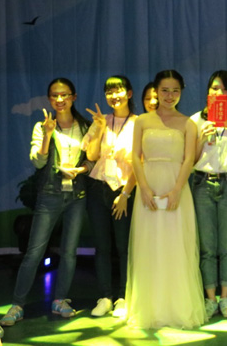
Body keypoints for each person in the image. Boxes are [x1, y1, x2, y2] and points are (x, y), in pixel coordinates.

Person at [1, 78, 92, 326]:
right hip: (49, 194)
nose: (59, 100)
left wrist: (80, 170)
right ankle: (17, 305)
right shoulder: (42, 126)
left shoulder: (85, 126)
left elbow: (93, 159)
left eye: (64, 95)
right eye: (54, 95)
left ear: (73, 97)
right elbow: (38, 161)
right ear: (49, 99)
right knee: (34, 252)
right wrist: (48, 135)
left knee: (69, 252)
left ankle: (60, 300)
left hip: (77, 196)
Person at [125, 70, 205, 329]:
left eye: (175, 91)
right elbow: (135, 156)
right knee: (149, 246)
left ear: (181, 92)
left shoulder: (188, 123)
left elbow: (188, 159)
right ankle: (149, 309)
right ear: (156, 92)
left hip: (176, 187)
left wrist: (177, 189)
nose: (170, 96)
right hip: (148, 187)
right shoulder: (142, 121)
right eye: (165, 90)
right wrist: (144, 188)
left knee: (174, 246)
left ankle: (176, 308)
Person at [191, 71, 227, 319]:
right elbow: (190, 160)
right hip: (202, 183)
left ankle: (225, 298)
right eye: (215, 88)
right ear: (208, 92)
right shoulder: (196, 120)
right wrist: (201, 138)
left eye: (225, 89)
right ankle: (210, 299)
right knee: (207, 247)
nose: (219, 93)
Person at [83, 75, 137, 318]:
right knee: (102, 247)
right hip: (98, 187)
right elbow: (91, 156)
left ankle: (123, 298)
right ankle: (105, 297)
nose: (114, 96)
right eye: (109, 92)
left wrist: (125, 193)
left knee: (124, 246)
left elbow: (140, 162)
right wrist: (99, 129)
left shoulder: (138, 122)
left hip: (123, 190)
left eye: (118, 90)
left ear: (129, 93)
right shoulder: (101, 120)